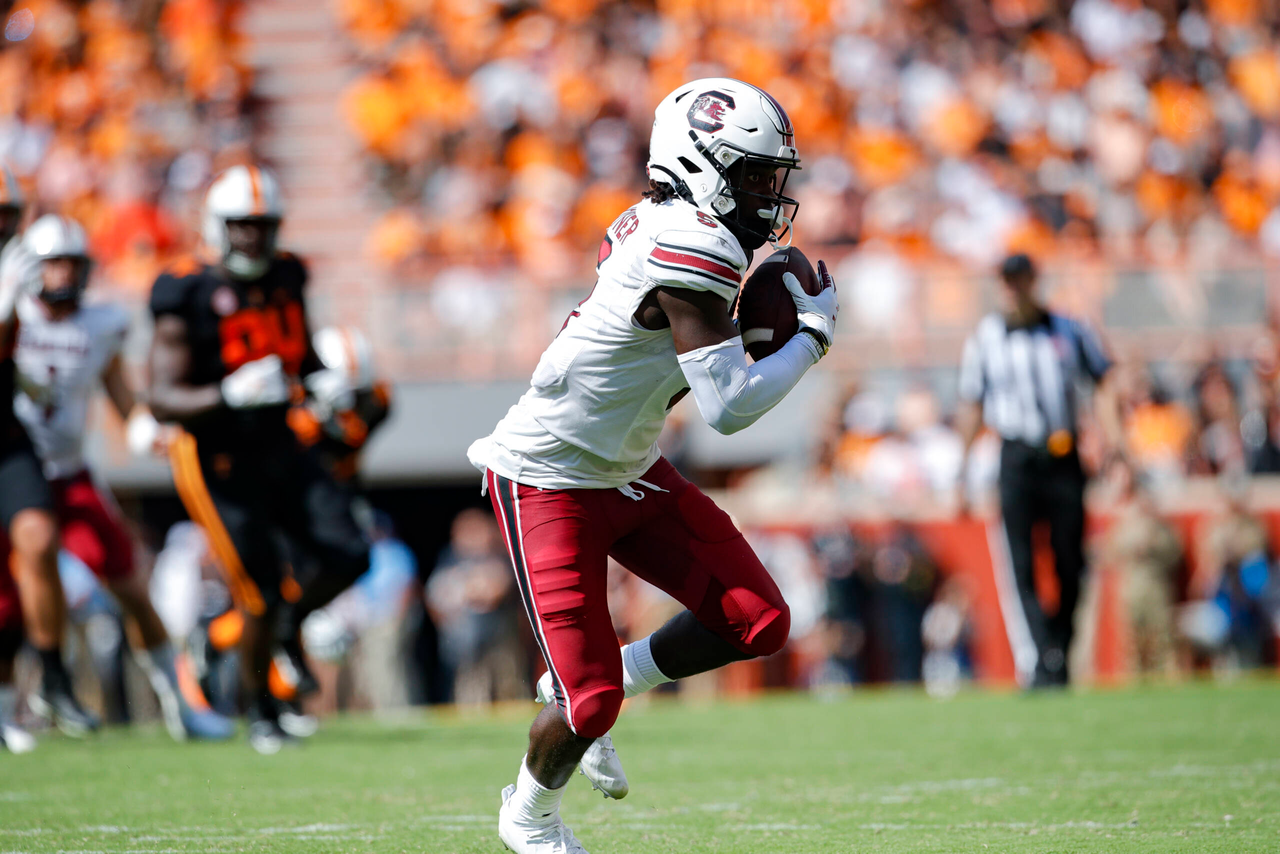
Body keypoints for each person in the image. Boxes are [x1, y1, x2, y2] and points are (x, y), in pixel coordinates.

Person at [466, 78, 838, 853]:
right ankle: (528, 816)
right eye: (754, 174)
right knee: (590, 702)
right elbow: (728, 408)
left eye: (775, 176)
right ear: (700, 165)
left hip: (627, 466)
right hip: (548, 478)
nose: (769, 193)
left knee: (758, 619)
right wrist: (810, 339)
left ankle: (609, 677)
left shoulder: (679, 224)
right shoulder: (693, 243)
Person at [147, 164, 370, 754]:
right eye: (241, 226)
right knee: (260, 591)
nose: (253, 238)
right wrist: (226, 394)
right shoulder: (185, 288)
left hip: (277, 440)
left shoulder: (288, 272)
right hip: (214, 454)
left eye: (263, 226)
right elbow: (162, 397)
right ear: (217, 227)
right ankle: (262, 711)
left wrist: (320, 382)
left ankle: (281, 635)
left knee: (349, 552)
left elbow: (301, 353)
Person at [12, 213, 233, 741]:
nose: (65, 275)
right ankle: (15, 710)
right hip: (15, 470)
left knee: (131, 584)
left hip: (69, 472)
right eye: (55, 264)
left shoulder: (101, 324)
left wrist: (141, 426)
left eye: (73, 264)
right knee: (10, 595)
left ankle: (180, 705)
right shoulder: (11, 316)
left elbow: (119, 391)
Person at [957, 253, 1124, 688]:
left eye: (1020, 280)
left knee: (1071, 561)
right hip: (1016, 457)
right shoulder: (986, 337)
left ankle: (1058, 647)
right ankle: (1045, 656)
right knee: (1021, 563)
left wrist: (1116, 444)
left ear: (1034, 281)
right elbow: (972, 404)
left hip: (1063, 454)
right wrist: (962, 468)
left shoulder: (1070, 329)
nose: (1013, 289)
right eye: (1007, 281)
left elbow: (1102, 380)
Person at [0, 170, 99, 737]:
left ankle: (55, 677)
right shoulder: (14, 278)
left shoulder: (23, 270)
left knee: (39, 538)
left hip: (7, 434)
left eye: (7, 215)